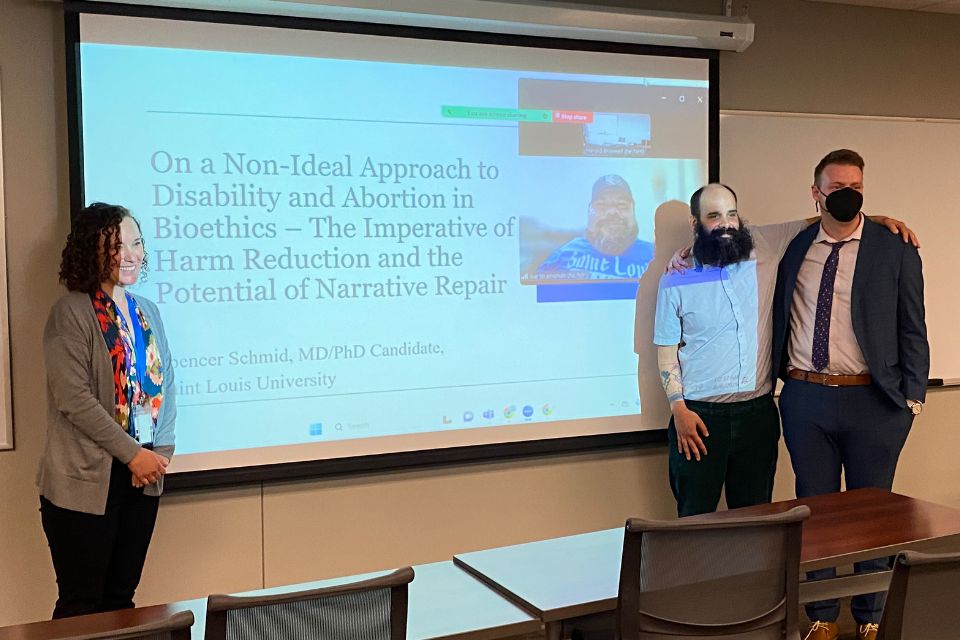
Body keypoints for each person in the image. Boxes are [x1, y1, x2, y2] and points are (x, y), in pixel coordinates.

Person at [652, 184, 915, 519]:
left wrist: (874, 220)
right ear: (695, 222)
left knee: (757, 518)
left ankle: (752, 575)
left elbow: (822, 221)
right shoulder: (676, 276)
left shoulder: (765, 243)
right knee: (695, 517)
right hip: (697, 418)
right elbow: (666, 349)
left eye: (731, 213)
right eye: (713, 216)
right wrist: (679, 409)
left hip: (757, 416)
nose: (725, 223)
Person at [772, 150, 928, 640]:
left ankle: (871, 617)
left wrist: (912, 401)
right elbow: (733, 239)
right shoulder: (794, 246)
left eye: (856, 186)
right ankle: (820, 617)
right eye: (836, 186)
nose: (848, 194)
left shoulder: (893, 246)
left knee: (873, 517)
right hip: (805, 398)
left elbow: (913, 327)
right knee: (814, 512)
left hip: (874, 403)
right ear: (815, 191)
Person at [38, 202, 176, 618]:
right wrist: (132, 453)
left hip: (143, 478)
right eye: (116, 245)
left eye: (136, 242)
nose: (129, 253)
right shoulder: (71, 313)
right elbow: (74, 399)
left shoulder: (146, 311)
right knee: (82, 605)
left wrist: (160, 452)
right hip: (85, 480)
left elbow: (165, 382)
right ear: (92, 251)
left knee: (122, 603)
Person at [537, 174, 654, 280]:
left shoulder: (655, 257)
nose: (612, 212)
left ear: (633, 211)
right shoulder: (567, 253)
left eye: (621, 205)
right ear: (589, 212)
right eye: (601, 205)